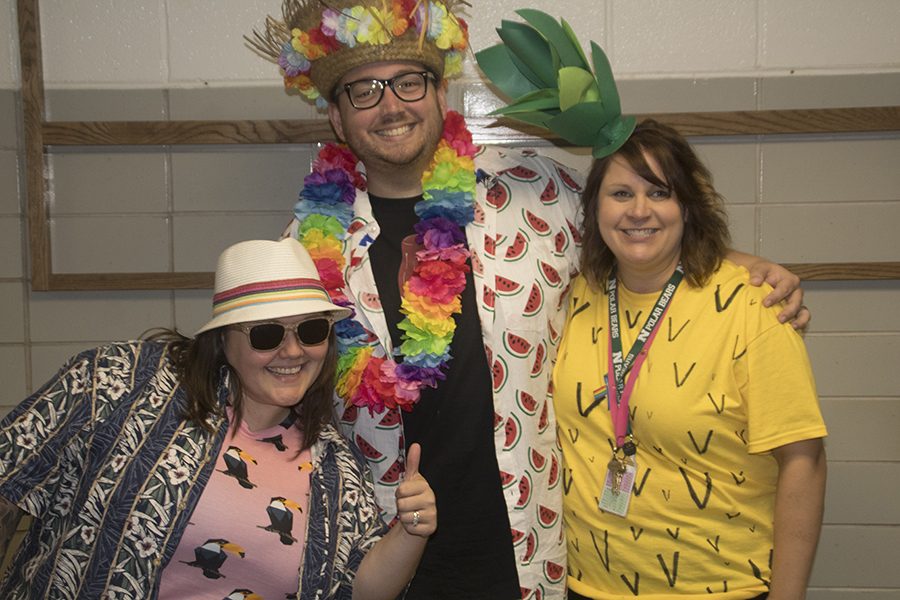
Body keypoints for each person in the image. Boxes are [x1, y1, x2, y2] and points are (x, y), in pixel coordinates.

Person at [246, 3, 810, 598]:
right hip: (380, 559)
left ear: (442, 95)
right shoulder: (305, 252)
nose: (391, 104)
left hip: (530, 550)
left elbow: (641, 241)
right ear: (336, 117)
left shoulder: (538, 192)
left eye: (409, 82)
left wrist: (742, 267)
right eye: (364, 91)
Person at [0, 238, 436, 599]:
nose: (292, 351)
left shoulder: (332, 464)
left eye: (310, 331)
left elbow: (359, 588)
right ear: (223, 340)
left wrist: (411, 530)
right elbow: (9, 472)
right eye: (266, 333)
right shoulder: (122, 381)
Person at [553, 119, 827, 599]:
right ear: (595, 208)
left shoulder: (753, 307)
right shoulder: (576, 293)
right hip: (585, 585)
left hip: (719, 586)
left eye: (659, 193)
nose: (639, 211)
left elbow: (803, 459)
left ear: (687, 207)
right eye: (620, 193)